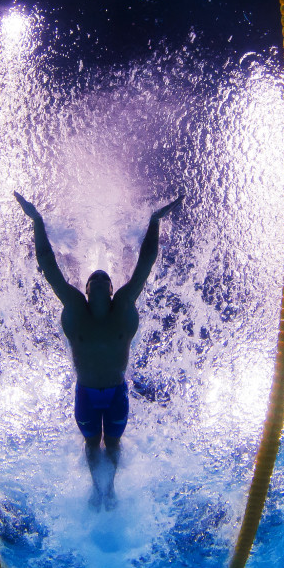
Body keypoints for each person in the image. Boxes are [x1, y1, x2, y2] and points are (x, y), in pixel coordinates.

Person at [14, 190, 181, 510]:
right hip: (87, 394)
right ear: (87, 290)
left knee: (113, 443)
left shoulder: (124, 305)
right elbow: (47, 264)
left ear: (113, 289)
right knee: (92, 443)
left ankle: (111, 488)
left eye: (105, 278)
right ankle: (96, 488)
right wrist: (36, 220)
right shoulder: (75, 307)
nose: (100, 278)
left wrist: (154, 221)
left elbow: (146, 262)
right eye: (94, 279)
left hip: (116, 392)